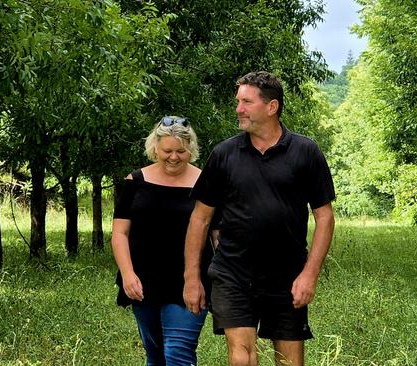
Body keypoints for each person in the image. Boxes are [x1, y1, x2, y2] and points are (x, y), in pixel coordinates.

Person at [183, 71, 336, 366]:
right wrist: (192, 278)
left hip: (287, 273)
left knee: (290, 361)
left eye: (246, 102)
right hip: (232, 271)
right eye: (238, 101)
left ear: (271, 107)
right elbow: (200, 220)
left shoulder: (306, 152)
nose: (238, 109)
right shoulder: (224, 154)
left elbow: (325, 218)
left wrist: (309, 275)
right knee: (242, 356)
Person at [111, 116, 213, 366]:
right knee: (155, 356)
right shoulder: (135, 182)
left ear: (191, 149)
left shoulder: (207, 183)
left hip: (190, 281)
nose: (174, 157)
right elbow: (120, 233)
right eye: (167, 150)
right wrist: (127, 274)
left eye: (181, 151)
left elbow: (216, 232)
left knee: (178, 354)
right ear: (155, 148)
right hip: (144, 281)